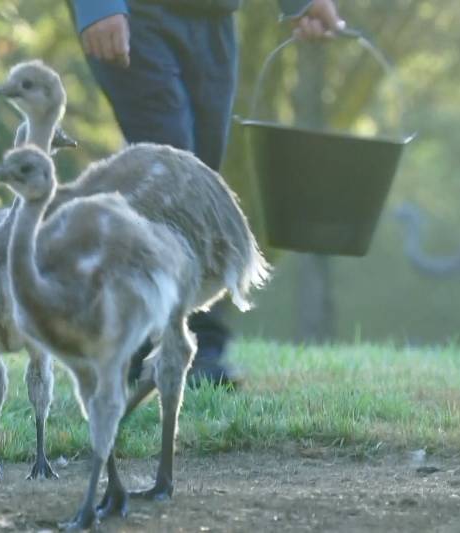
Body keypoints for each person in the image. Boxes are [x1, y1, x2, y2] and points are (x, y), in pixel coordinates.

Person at [68, 0, 344, 386]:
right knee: (171, 176)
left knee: (201, 171)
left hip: (214, 18)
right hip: (135, 13)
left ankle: (151, 343)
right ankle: (176, 348)